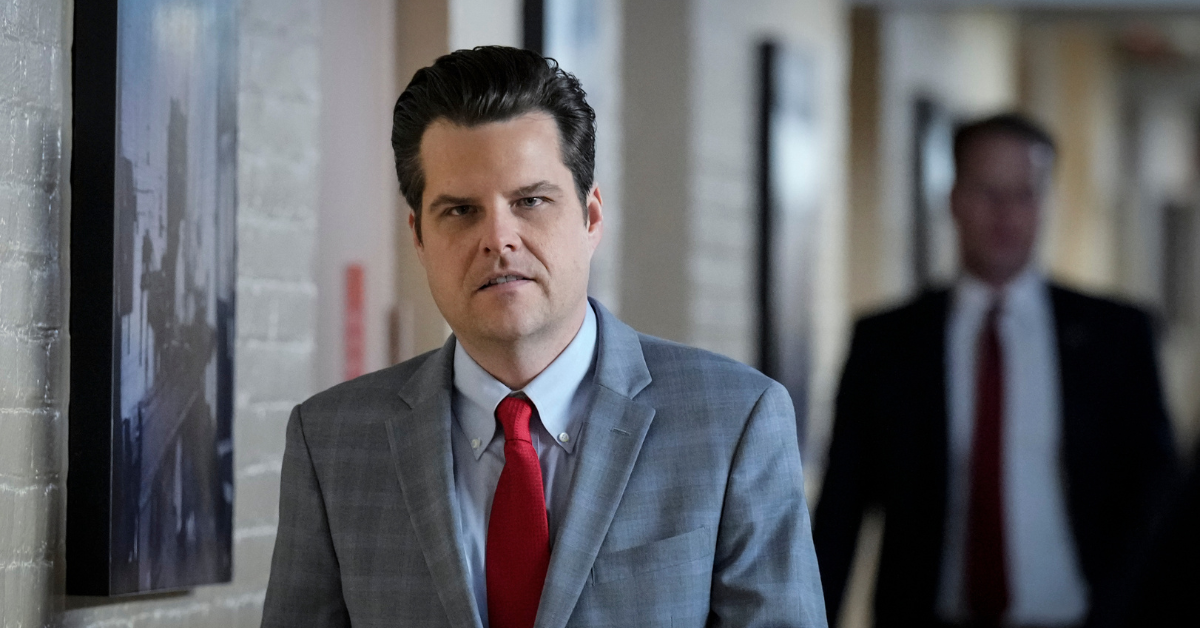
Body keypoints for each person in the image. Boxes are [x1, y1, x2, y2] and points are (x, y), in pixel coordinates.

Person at [261, 46, 826, 628]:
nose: (499, 239)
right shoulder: (331, 443)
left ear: (591, 217)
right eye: (459, 211)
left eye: (530, 201)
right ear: (419, 236)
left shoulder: (734, 421)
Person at [813, 113, 1178, 628]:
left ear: (1045, 203)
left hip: (1081, 616)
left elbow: (1157, 492)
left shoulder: (1116, 336)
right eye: (988, 192)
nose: (1006, 215)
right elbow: (842, 509)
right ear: (954, 200)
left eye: (1024, 195)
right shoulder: (887, 342)